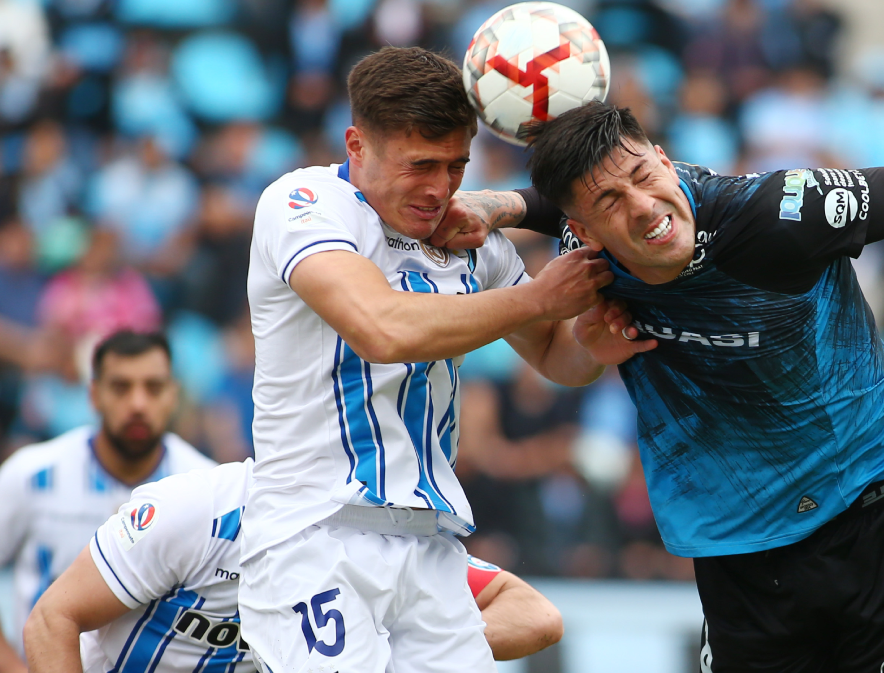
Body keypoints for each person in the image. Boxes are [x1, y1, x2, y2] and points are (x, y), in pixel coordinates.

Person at [434, 101, 884, 671]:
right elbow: (565, 280)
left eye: (646, 175)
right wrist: (508, 212)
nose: (644, 207)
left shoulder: (784, 214)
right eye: (611, 202)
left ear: (666, 161)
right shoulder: (587, 267)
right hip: (746, 559)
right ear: (581, 230)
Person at [239, 48, 646, 673]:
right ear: (356, 144)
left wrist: (596, 337)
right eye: (419, 166)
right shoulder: (305, 205)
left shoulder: (466, 237)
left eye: (456, 166)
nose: (438, 188)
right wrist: (538, 295)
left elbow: (556, 357)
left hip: (432, 545)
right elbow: (380, 328)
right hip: (316, 531)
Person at [22, 460, 563, 672]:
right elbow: (52, 621)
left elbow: (535, 617)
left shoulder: (371, 532)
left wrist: (395, 650)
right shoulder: (197, 511)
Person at [0, 331, 214, 672]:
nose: (138, 404)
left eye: (153, 387)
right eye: (121, 387)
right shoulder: (32, 474)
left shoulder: (206, 489)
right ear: (94, 395)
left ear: (174, 395)